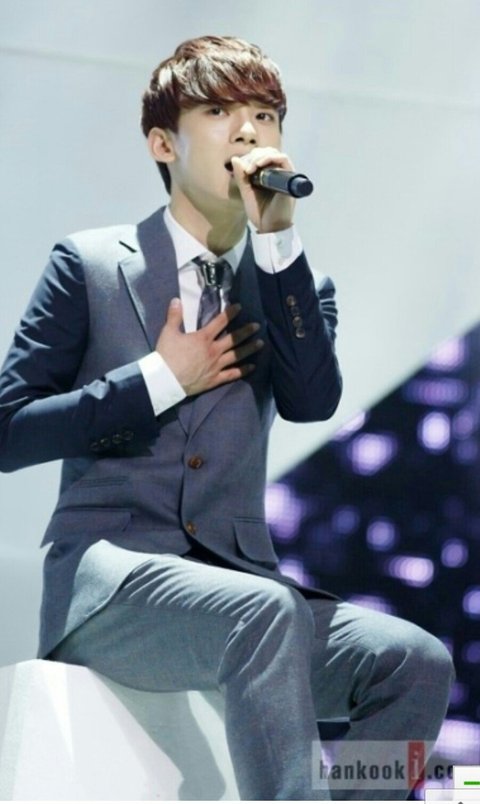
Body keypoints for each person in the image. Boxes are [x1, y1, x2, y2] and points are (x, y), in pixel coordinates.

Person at [0, 35, 454, 800]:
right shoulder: (90, 265)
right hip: (112, 588)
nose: (248, 130)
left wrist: (277, 240)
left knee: (413, 660)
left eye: (265, 115)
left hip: (242, 592)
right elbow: (9, 431)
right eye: (219, 111)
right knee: (264, 612)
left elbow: (312, 401)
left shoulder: (295, 284)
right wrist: (158, 380)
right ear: (162, 143)